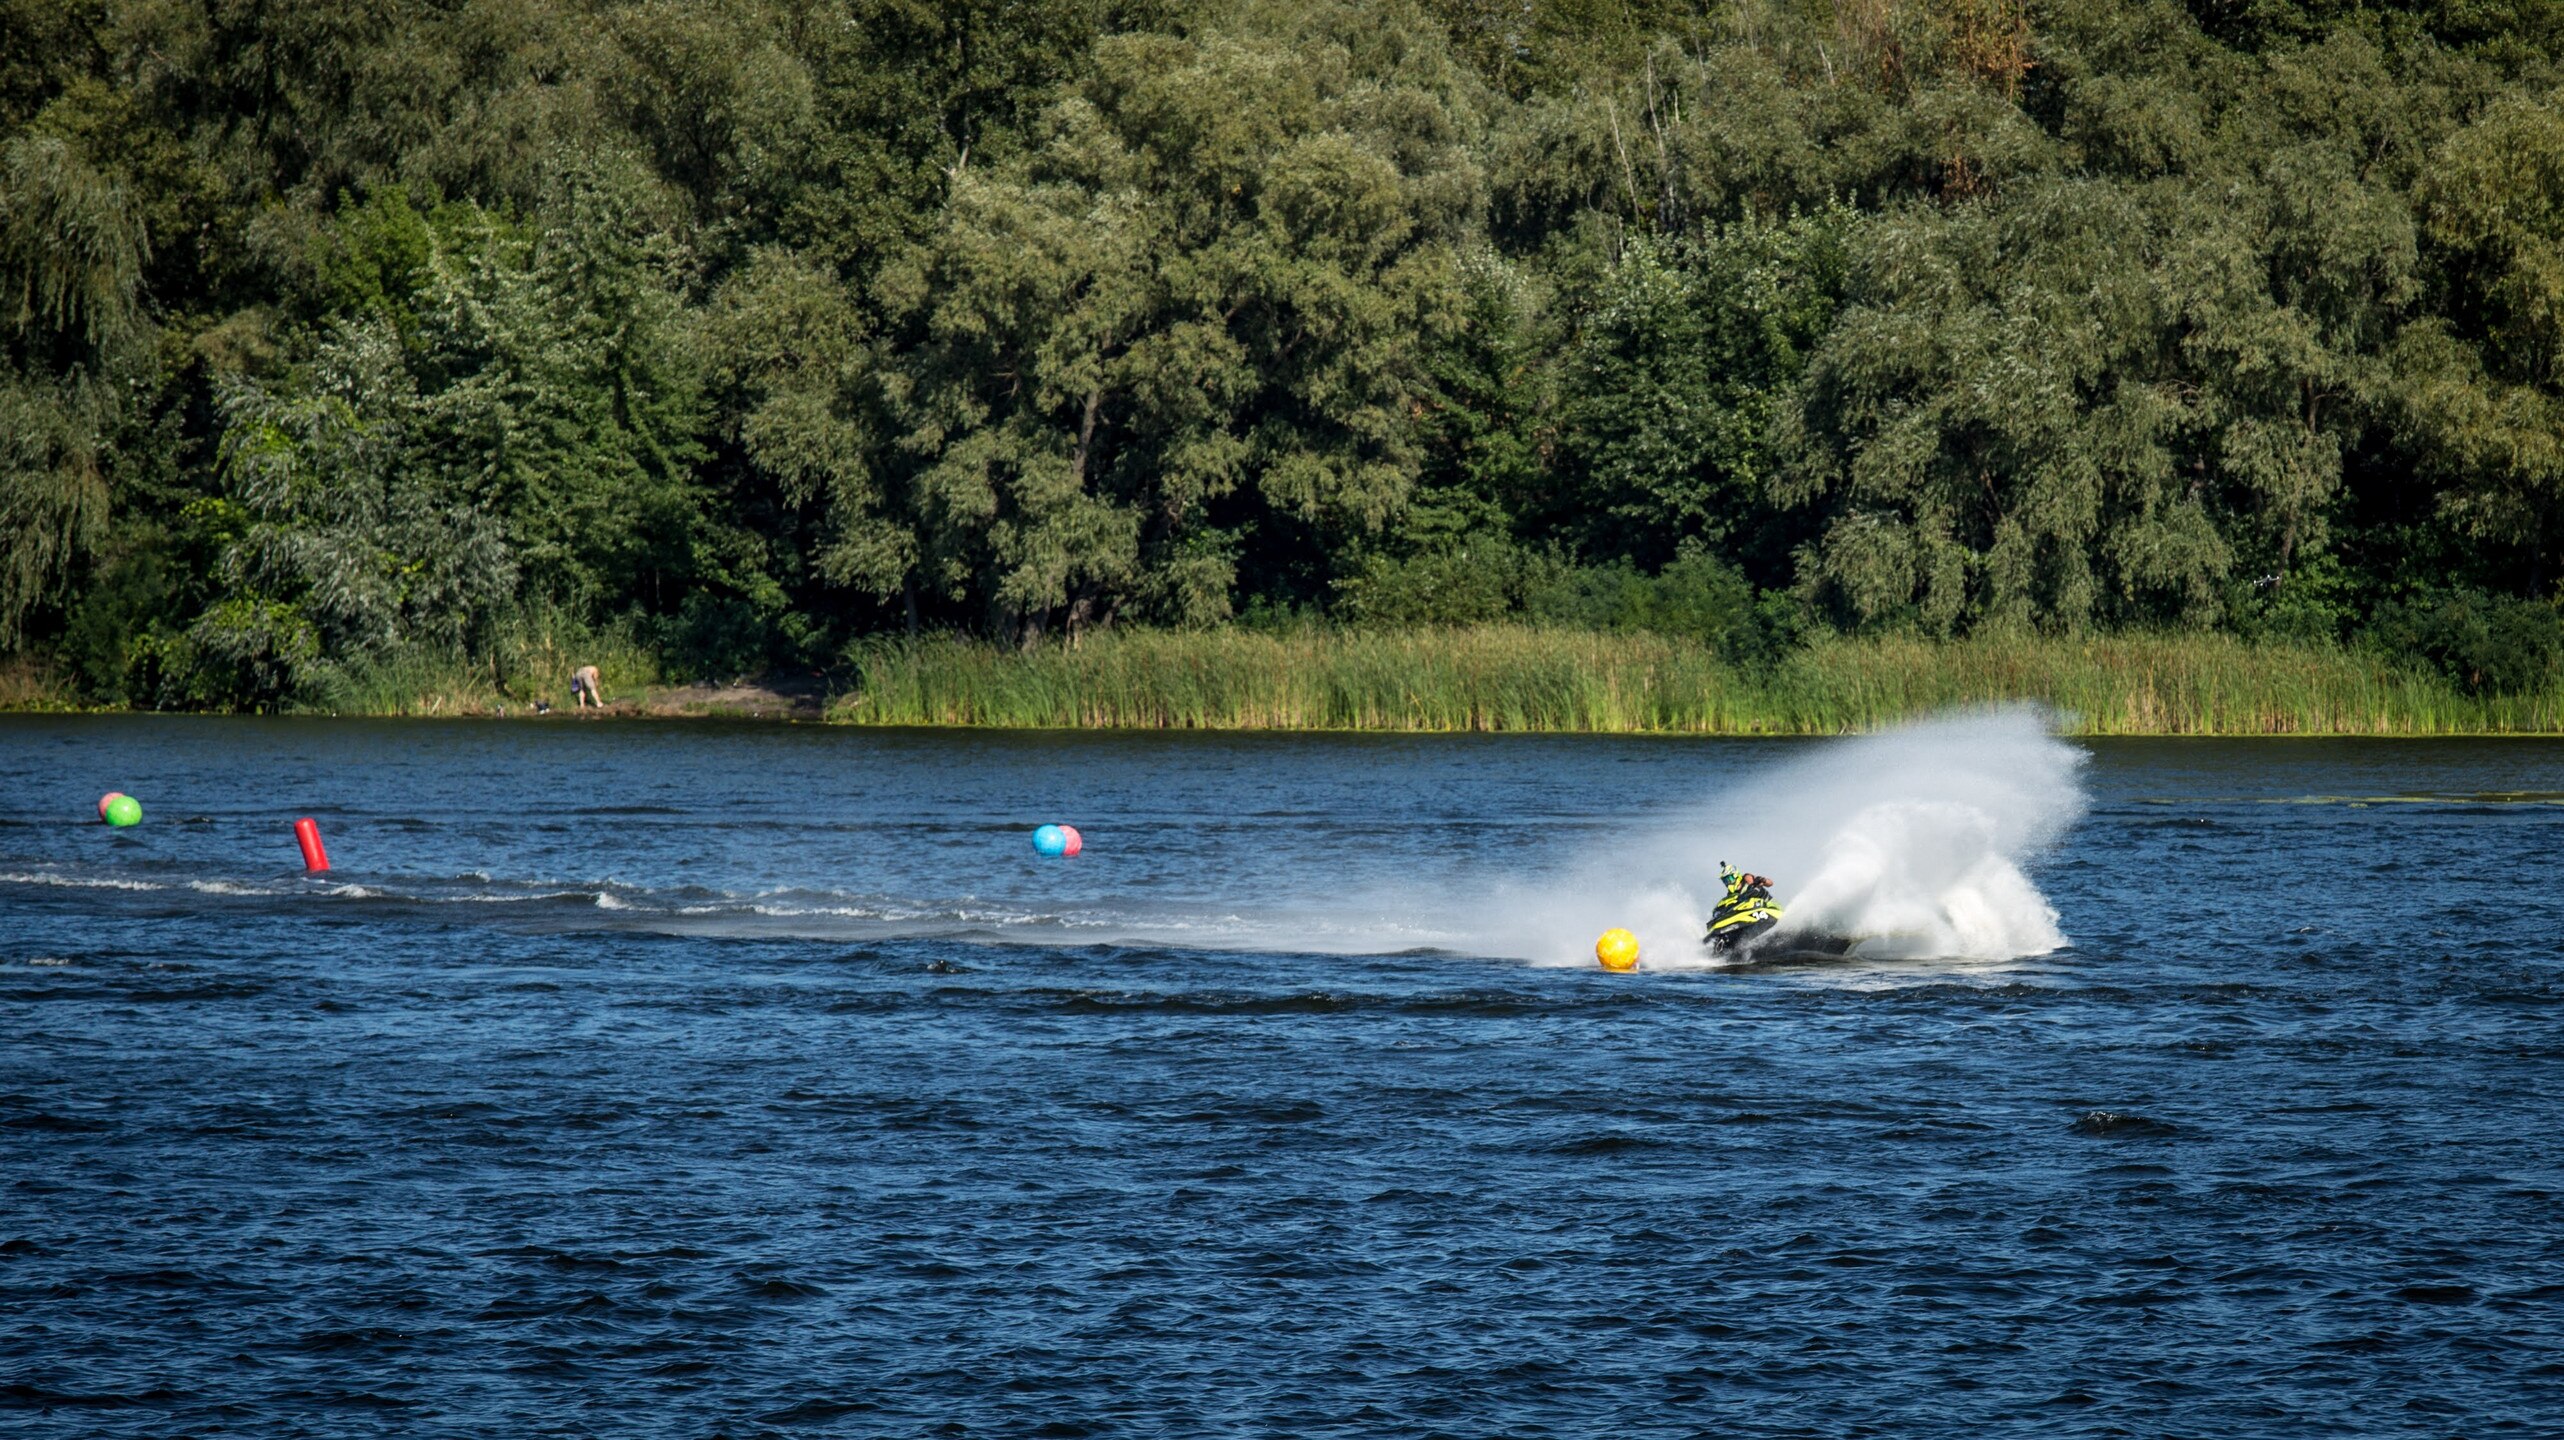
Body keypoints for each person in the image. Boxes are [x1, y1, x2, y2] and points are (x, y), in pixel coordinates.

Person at [1704, 861, 1783, 952]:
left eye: (1728, 879)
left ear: (1735, 875)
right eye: (1725, 881)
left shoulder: (1747, 878)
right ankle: (1727, 941)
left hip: (1771, 908)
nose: (1727, 883)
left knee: (1746, 904)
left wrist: (1762, 880)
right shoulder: (1731, 894)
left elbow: (1770, 883)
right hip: (1750, 916)